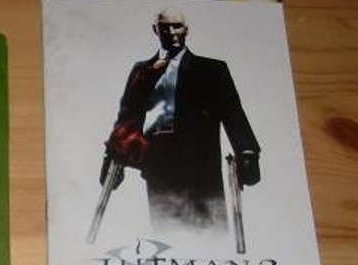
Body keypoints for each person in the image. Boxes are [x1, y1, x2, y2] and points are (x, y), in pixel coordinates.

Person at [100, 8, 260, 231]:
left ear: (186, 29)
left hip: (199, 160)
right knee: (166, 231)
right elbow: (128, 115)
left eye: (177, 26)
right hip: (158, 161)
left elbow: (232, 112)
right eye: (165, 27)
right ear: (155, 30)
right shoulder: (142, 70)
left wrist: (247, 151)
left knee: (209, 229)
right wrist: (112, 155)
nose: (172, 32)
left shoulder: (212, 70)